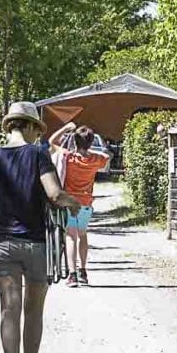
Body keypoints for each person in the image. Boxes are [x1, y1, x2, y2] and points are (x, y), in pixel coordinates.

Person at [0, 101, 81, 353]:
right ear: (29, 126)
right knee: (33, 310)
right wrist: (74, 202)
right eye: (37, 129)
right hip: (35, 244)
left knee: (8, 309)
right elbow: (54, 194)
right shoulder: (38, 153)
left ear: (9, 125)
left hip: (1, 244)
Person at [48, 122, 111, 288]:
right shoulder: (95, 159)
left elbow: (51, 141)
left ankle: (72, 274)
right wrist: (89, 149)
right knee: (82, 235)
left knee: (70, 236)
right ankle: (83, 271)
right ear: (90, 142)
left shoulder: (68, 157)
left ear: (74, 142)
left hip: (69, 202)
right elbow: (107, 157)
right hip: (86, 202)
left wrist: (66, 128)